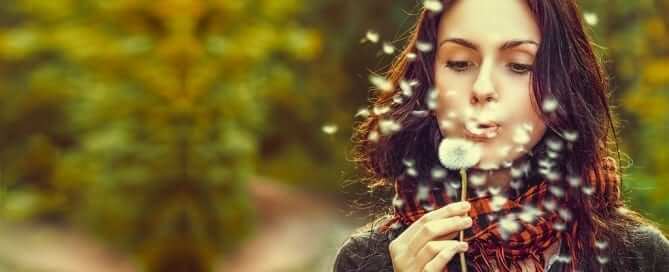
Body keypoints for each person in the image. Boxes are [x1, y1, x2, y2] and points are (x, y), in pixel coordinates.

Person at [333, 0, 669, 271]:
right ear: (429, 80)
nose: (482, 89)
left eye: (519, 66)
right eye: (461, 63)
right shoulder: (371, 261)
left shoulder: (639, 257)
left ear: (563, 84)